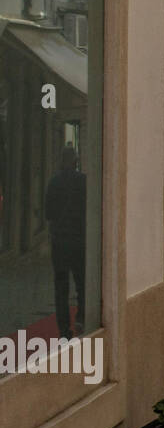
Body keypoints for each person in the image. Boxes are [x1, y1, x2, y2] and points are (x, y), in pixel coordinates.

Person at [45, 144, 87, 338]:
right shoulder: (83, 181)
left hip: (60, 241)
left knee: (61, 288)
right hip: (78, 240)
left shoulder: (53, 182)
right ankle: (81, 317)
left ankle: (64, 330)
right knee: (81, 283)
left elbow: (48, 213)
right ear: (75, 161)